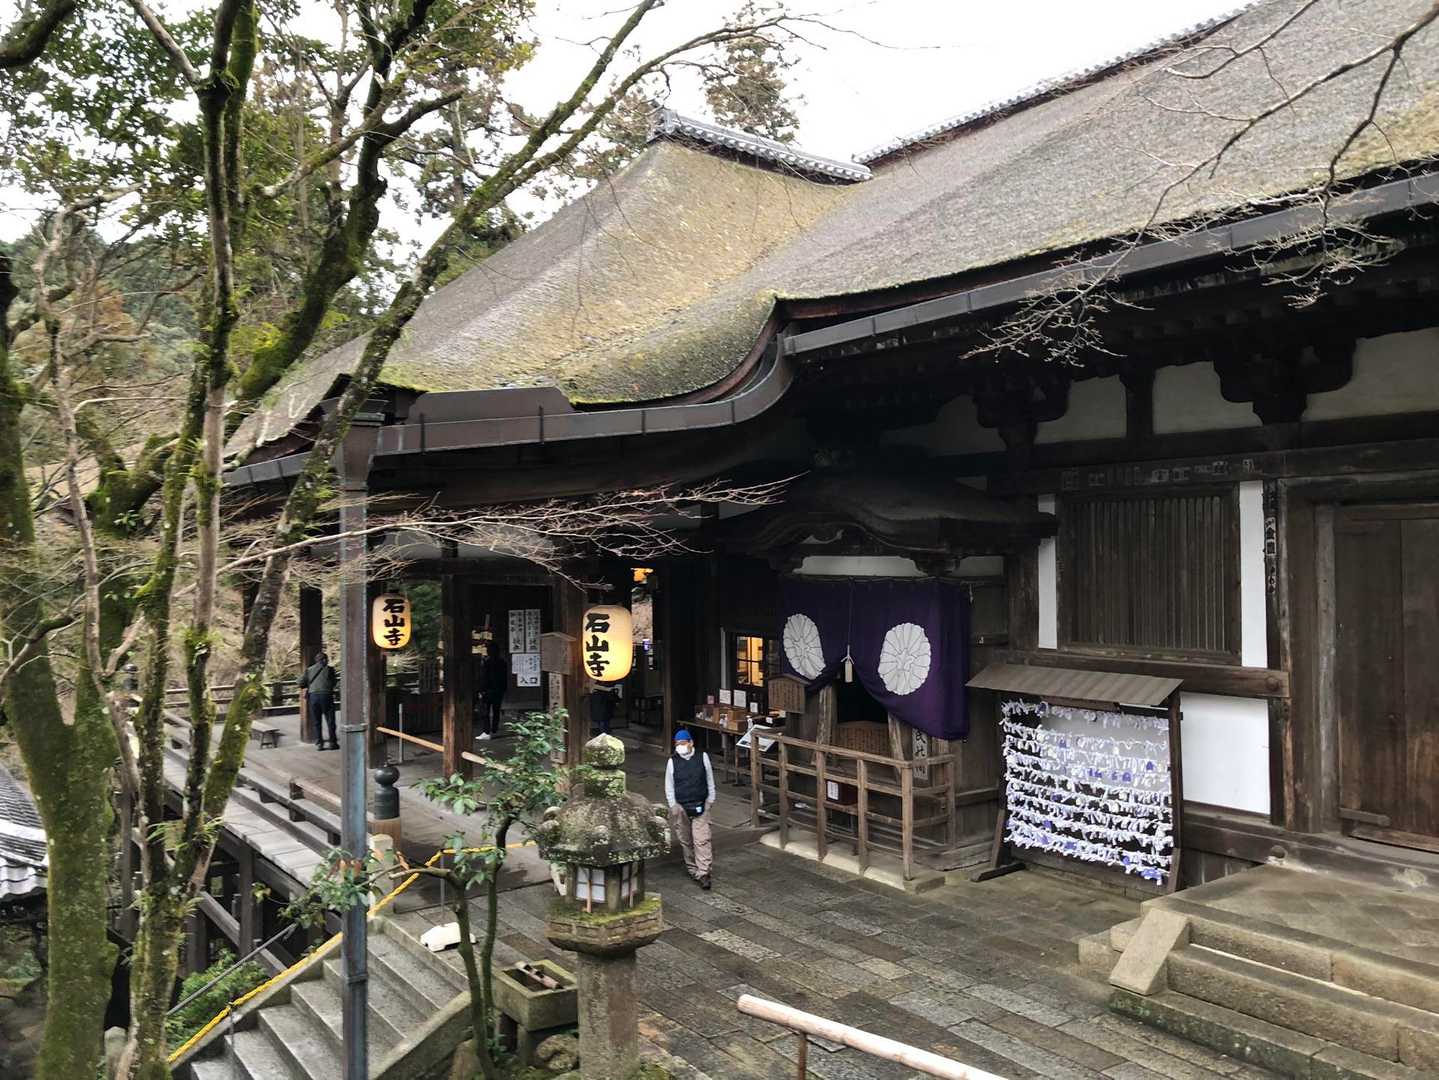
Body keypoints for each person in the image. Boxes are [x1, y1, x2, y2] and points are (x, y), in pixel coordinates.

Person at [664, 729, 715, 889]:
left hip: (701, 803)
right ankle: (693, 870)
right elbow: (669, 785)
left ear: (691, 743)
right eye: (677, 744)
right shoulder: (672, 762)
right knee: (686, 840)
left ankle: (704, 873)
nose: (680, 746)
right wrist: (673, 805)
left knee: (702, 839)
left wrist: (710, 800)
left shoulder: (702, 757)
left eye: (683, 743)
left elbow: (709, 779)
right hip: (681, 806)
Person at [299, 651, 338, 751]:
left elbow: (301, 683)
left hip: (314, 697)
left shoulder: (309, 670)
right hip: (326, 696)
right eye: (326, 659)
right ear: (324, 660)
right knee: (330, 720)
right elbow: (334, 682)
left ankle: (320, 743)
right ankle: (332, 743)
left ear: (316, 660)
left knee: (317, 721)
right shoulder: (330, 669)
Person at [478, 647, 507, 740]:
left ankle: (486, 731)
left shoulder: (487, 662)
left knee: (485, 711)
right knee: (496, 710)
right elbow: (504, 677)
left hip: (488, 690)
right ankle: (494, 729)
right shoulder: (502, 662)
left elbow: (484, 677)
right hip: (499, 690)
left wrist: (481, 690)